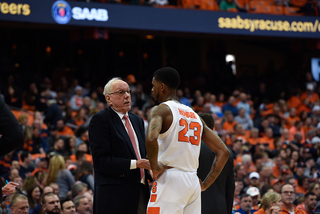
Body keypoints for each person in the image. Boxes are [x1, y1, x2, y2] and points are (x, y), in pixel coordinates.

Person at [146, 67, 230, 213]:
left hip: (170, 179)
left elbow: (151, 138)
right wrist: (205, 184)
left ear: (162, 86)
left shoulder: (161, 110)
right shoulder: (194, 115)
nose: (152, 90)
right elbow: (224, 151)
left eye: (153, 86)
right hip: (192, 181)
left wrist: (154, 168)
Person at [89, 77, 151, 214]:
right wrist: (136, 164)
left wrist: (150, 170)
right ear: (108, 99)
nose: (127, 95)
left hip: (140, 190)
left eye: (128, 91)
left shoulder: (138, 121)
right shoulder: (100, 120)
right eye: (121, 92)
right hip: (114, 196)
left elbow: (142, 154)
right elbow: (101, 161)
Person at [197, 113, 235, 214]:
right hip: (220, 207)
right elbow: (230, 187)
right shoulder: (227, 151)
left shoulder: (193, 148)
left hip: (197, 206)